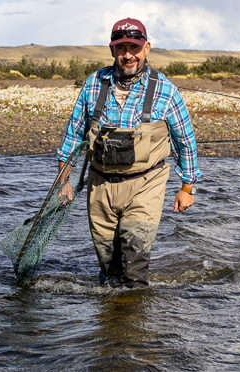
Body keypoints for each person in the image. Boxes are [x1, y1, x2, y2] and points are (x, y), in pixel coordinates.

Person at [57, 17, 201, 287]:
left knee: (134, 266)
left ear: (146, 48)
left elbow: (185, 141)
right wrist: (63, 180)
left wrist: (187, 187)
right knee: (108, 268)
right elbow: (72, 135)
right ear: (112, 50)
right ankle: (112, 323)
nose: (127, 55)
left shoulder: (166, 91)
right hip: (100, 185)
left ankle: (134, 324)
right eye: (121, 48)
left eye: (133, 48)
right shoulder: (93, 83)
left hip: (145, 184)